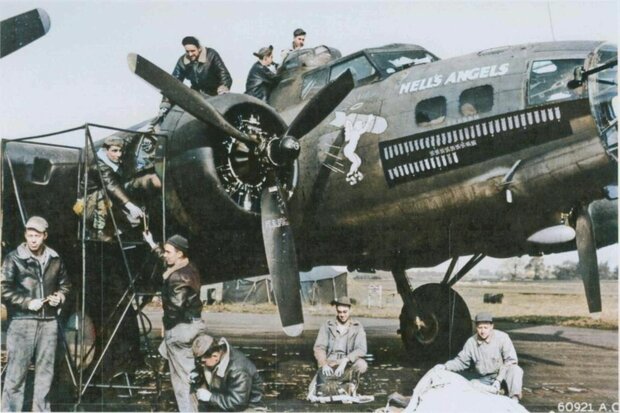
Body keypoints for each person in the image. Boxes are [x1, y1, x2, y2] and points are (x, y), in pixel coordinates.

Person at [1, 216, 71, 412]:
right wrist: (26, 302)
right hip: (22, 323)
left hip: (48, 322)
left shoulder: (55, 259)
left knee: (45, 376)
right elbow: (3, 289)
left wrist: (60, 296)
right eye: (30, 235)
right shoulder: (13, 258)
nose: (33, 239)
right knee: (16, 376)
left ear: (44, 236)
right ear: (25, 235)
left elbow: (66, 286)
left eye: (37, 235)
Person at [143, 231, 206, 412]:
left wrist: (167, 326)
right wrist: (151, 243)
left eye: (168, 252)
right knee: (183, 371)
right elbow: (165, 260)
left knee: (182, 382)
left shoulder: (179, 277)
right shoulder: (187, 267)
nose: (165, 254)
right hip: (192, 324)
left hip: (180, 329)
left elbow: (175, 308)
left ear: (179, 253)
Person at [436, 312, 523, 401]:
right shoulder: (471, 342)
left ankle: (514, 399)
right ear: (476, 327)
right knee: (471, 384)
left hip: (502, 376)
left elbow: (511, 361)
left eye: (486, 327)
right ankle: (496, 392)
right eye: (480, 327)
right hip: (484, 379)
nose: (482, 331)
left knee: (516, 370)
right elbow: (461, 361)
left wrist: (499, 380)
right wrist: (445, 366)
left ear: (492, 326)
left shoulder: (502, 338)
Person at [80, 136, 145, 240]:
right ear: (105, 150)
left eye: (120, 151)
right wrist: (129, 205)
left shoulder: (110, 157)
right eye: (114, 151)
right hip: (90, 204)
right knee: (104, 194)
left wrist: (141, 132)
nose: (118, 154)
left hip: (108, 200)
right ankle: (97, 231)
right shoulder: (99, 165)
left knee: (133, 221)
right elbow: (111, 185)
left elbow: (127, 141)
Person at [160, 35, 233, 116]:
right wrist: (165, 102)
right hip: (196, 96)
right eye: (187, 51)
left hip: (214, 95)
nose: (190, 54)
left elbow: (224, 74)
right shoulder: (182, 61)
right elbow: (173, 83)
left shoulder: (211, 55)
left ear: (199, 48)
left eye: (193, 51)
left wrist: (224, 86)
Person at [190, 333, 263, 411]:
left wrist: (211, 397)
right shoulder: (218, 351)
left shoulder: (238, 370)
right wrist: (197, 374)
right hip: (222, 397)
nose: (202, 364)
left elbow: (238, 404)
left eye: (203, 362)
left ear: (215, 356)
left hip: (245, 406)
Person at [312, 296, 368, 397]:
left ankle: (350, 384)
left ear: (350, 310)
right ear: (336, 311)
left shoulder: (357, 326)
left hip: (347, 363)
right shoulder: (327, 325)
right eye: (339, 312)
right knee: (316, 392)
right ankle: (337, 384)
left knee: (362, 364)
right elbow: (319, 347)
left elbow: (362, 349)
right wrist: (324, 364)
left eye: (345, 312)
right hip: (330, 362)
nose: (342, 315)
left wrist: (346, 360)